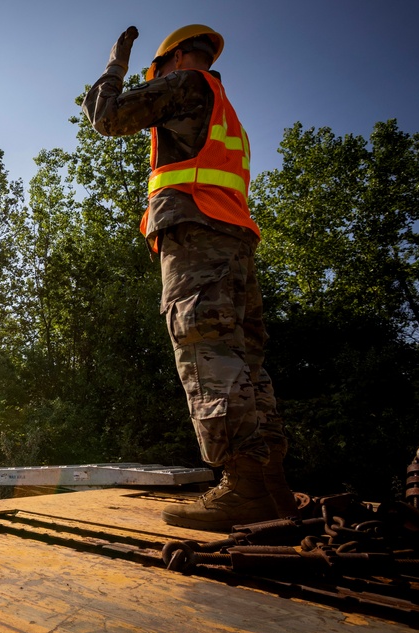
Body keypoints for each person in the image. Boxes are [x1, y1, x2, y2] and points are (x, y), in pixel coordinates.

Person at [82, 25, 298, 531]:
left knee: (205, 349)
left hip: (197, 234)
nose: (151, 80)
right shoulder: (225, 108)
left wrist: (115, 66)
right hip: (234, 240)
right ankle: (271, 487)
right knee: (246, 362)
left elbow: (106, 117)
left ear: (174, 58)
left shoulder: (187, 84)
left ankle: (245, 490)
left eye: (152, 72)